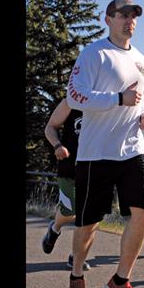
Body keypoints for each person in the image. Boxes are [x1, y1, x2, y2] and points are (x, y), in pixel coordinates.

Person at [65, 0, 144, 288]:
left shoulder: (143, 60)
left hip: (132, 149)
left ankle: (120, 281)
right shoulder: (94, 54)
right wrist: (118, 98)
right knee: (89, 224)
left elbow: (139, 101)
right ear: (108, 19)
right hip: (96, 152)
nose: (130, 20)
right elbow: (74, 95)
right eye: (123, 15)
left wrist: (143, 118)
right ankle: (77, 275)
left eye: (134, 16)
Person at [41, 98, 91, 271]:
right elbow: (50, 127)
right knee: (70, 210)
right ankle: (54, 228)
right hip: (69, 167)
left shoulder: (108, 103)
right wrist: (57, 145)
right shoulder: (71, 102)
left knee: (90, 216)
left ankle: (76, 257)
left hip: (96, 169)